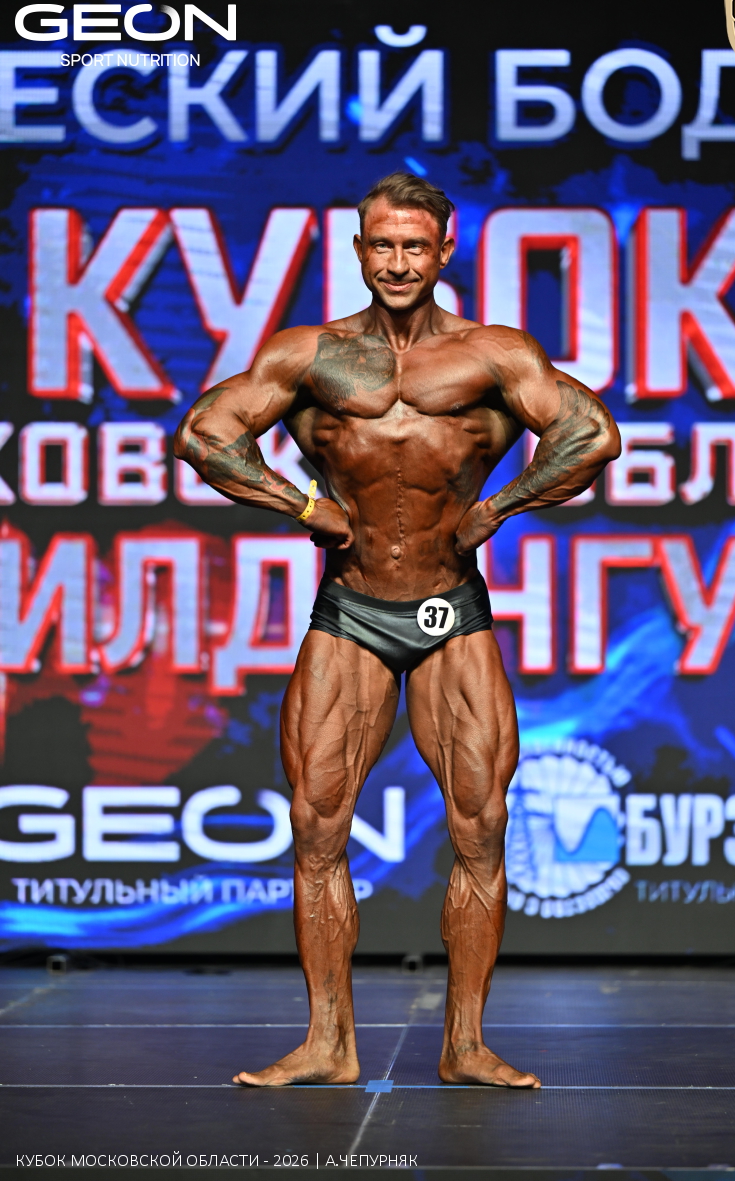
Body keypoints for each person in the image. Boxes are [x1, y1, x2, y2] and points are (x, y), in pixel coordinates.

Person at [174, 173, 620, 1088]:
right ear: (359, 251)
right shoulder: (311, 355)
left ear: (445, 250)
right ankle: (327, 1043)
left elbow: (592, 435)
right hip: (352, 610)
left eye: (416, 246)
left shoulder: (493, 354)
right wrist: (302, 504)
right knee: (316, 826)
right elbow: (204, 434)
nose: (399, 262)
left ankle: (466, 1045)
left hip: (451, 611)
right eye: (383, 245)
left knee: (481, 828)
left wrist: (500, 505)